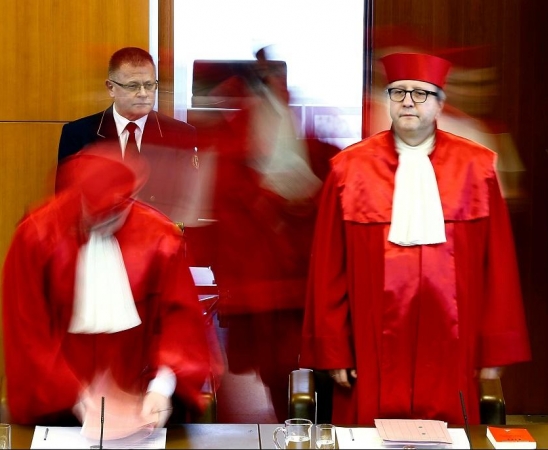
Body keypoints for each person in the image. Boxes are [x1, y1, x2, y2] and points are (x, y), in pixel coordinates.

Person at [300, 52, 531, 425]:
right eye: (398, 92)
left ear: (440, 103)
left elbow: (498, 265)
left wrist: (495, 348)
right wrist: (334, 350)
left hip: (451, 341)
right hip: (370, 346)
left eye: (421, 93)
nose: (408, 101)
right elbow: (329, 270)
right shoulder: (348, 170)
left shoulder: (477, 167)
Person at [2, 144, 220, 428]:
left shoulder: (161, 238)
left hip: (142, 399)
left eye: (115, 213)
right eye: (93, 214)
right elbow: (27, 333)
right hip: (58, 402)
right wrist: (76, 397)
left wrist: (161, 388)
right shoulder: (36, 236)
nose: (104, 222)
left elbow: (181, 323)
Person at [206, 50, 336, 422]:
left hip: (297, 284)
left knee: (310, 374)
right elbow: (225, 213)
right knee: (276, 377)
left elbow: (327, 181)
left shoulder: (305, 138)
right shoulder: (234, 141)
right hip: (262, 284)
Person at [57, 46, 200, 225]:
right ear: (111, 88)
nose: (143, 94)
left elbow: (188, 201)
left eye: (149, 85)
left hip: (160, 241)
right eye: (133, 86)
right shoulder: (79, 134)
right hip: (100, 241)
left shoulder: (181, 135)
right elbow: (66, 201)